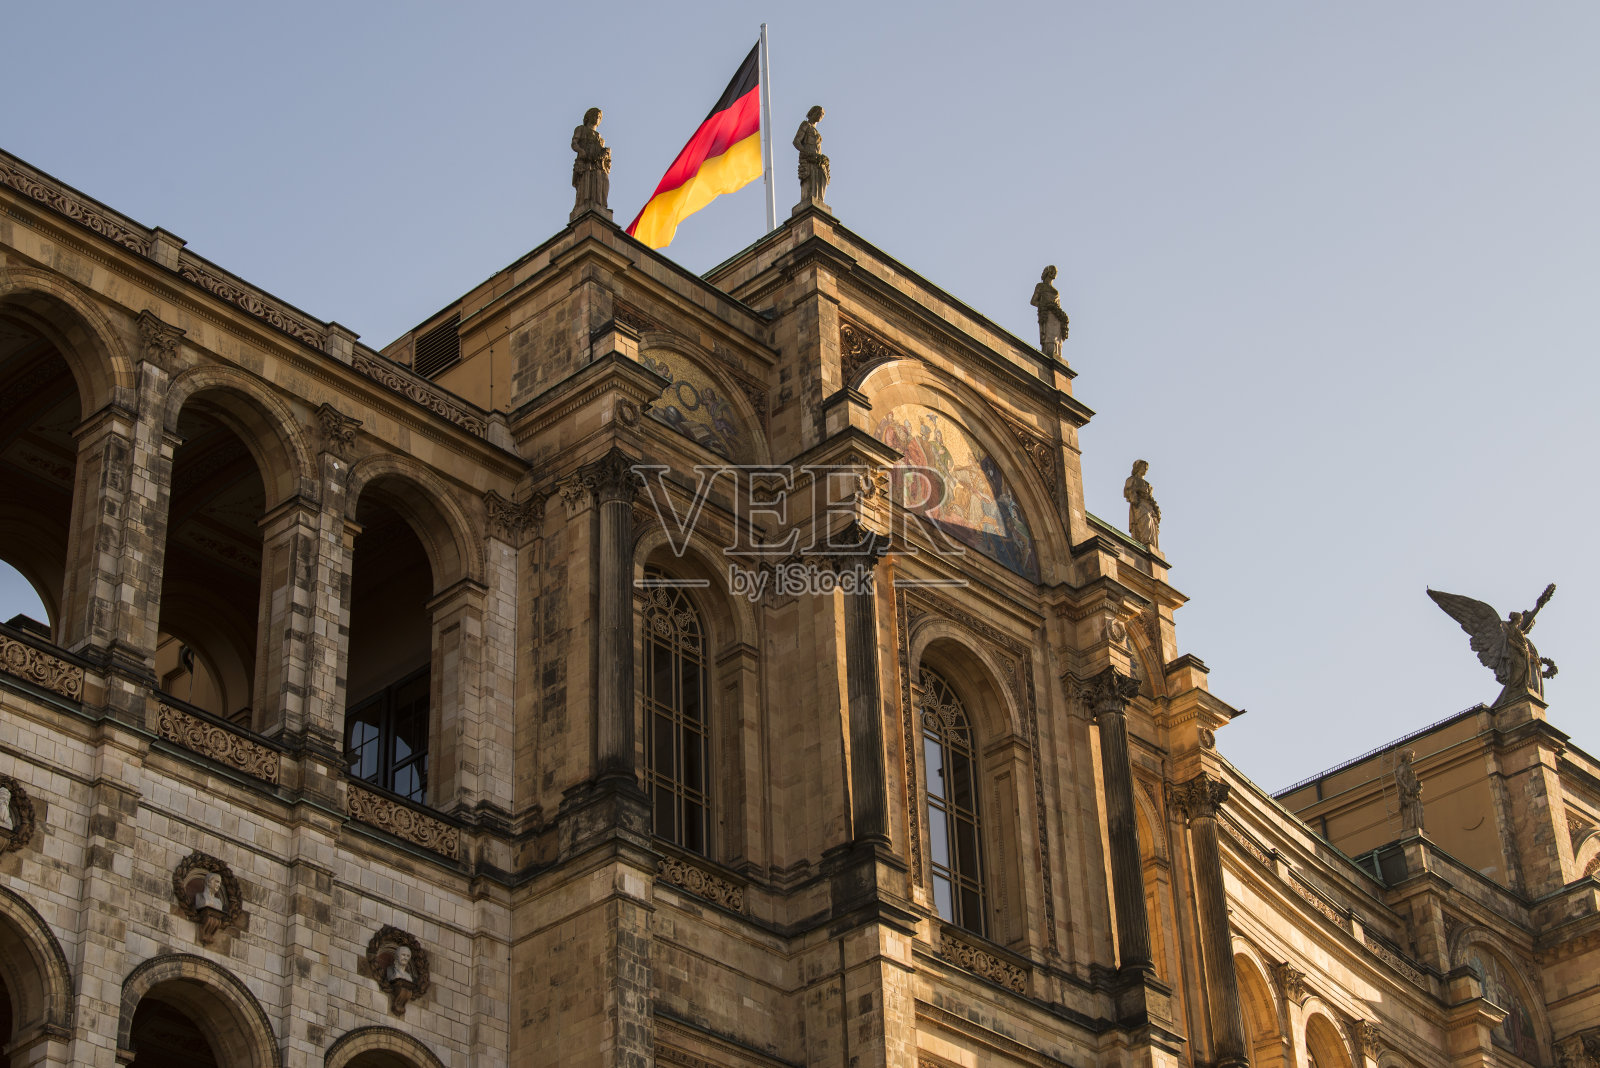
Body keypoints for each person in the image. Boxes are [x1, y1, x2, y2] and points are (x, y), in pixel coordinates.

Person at [571, 107, 611, 217]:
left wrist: (606, 152)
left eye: (599, 117)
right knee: (586, 183)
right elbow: (574, 143)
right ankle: (583, 205)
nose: (597, 118)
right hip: (585, 163)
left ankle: (600, 204)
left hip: (597, 164)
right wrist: (581, 151)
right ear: (588, 117)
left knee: (602, 181)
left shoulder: (600, 138)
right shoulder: (581, 129)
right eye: (595, 115)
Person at [1031, 265, 1070, 358]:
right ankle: (1049, 352)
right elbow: (1033, 301)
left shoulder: (1056, 291)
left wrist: (1056, 310)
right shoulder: (1040, 286)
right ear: (1048, 273)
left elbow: (1058, 307)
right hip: (1047, 314)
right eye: (1052, 271)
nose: (1054, 273)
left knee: (1056, 336)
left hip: (1056, 316)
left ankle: (1056, 354)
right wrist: (1044, 306)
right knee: (1049, 336)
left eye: (1055, 272)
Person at [793, 106, 829, 207]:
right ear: (813, 113)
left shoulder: (815, 130)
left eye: (822, 114)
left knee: (822, 178)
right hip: (809, 158)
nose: (820, 116)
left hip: (818, 160)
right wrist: (806, 152)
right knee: (809, 180)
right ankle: (808, 203)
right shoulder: (806, 125)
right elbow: (796, 141)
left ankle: (819, 202)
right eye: (819, 113)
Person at [1124, 460, 1161, 550]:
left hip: (1149, 506)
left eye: (1146, 468)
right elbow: (1128, 491)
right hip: (1140, 504)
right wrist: (1135, 500)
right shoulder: (1132, 479)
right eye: (1143, 467)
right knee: (1146, 520)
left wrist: (1156, 508)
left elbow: (1151, 498)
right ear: (1137, 468)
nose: (1145, 469)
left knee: (1152, 525)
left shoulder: (1149, 485)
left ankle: (1152, 546)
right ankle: (1145, 541)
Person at [1395, 749, 1425, 834]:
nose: (1412, 757)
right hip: (1407, 795)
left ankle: (1417, 827)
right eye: (1410, 755)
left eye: (1412, 756)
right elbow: (1398, 779)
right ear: (1406, 756)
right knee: (1409, 811)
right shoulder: (1402, 767)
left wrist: (1418, 786)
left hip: (1414, 794)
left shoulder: (1410, 768)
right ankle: (1410, 829)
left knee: (1417, 808)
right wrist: (1406, 787)